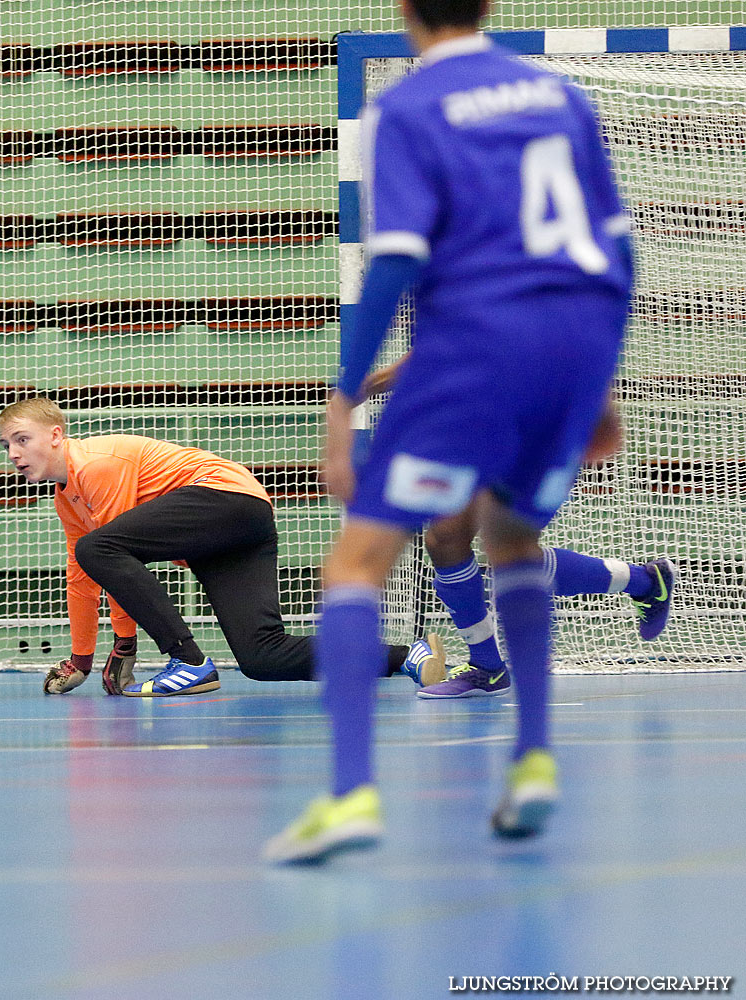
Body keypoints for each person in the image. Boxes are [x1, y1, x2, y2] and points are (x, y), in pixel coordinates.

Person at [263, 0, 636, 863]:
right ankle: (534, 758)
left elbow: (396, 257)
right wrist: (598, 377)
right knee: (510, 536)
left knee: (356, 560)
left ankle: (351, 794)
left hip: (473, 346)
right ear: (489, 6)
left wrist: (344, 393)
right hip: (574, 341)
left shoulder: (410, 107)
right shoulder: (556, 93)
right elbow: (615, 247)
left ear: (405, 11)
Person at [0, 397, 444, 696]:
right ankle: (406, 656)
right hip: (236, 527)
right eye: (6, 444)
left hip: (225, 498)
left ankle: (188, 660)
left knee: (98, 547)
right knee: (262, 657)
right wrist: (81, 660)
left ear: (55, 436)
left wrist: (124, 646)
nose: (13, 452)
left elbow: (107, 556)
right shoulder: (66, 498)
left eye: (22, 439)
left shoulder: (97, 466)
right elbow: (83, 578)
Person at [360, 364, 677, 700]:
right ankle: (487, 665)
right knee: (446, 538)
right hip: (483, 414)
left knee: (509, 549)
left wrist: (362, 387)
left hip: (531, 411)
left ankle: (643, 582)